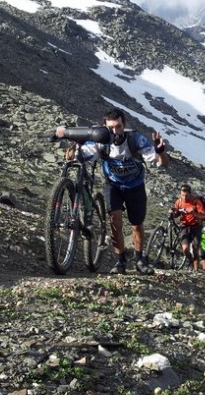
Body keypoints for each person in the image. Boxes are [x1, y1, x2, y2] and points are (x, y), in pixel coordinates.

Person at [55, 108, 168, 275]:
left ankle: (139, 260)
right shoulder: (100, 142)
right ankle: (120, 260)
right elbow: (76, 156)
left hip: (135, 186)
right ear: (104, 127)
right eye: (111, 128)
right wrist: (73, 147)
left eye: (119, 127)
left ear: (125, 125)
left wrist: (160, 151)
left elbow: (162, 162)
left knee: (136, 225)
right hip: (112, 185)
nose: (115, 131)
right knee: (115, 222)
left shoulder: (135, 140)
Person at [171, 184, 205, 271]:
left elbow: (204, 217)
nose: (184, 197)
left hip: (196, 227)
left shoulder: (196, 202)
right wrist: (173, 212)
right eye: (182, 195)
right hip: (184, 226)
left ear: (190, 194)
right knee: (185, 249)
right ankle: (190, 260)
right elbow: (176, 215)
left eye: (186, 195)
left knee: (195, 249)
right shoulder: (179, 202)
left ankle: (195, 270)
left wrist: (194, 213)